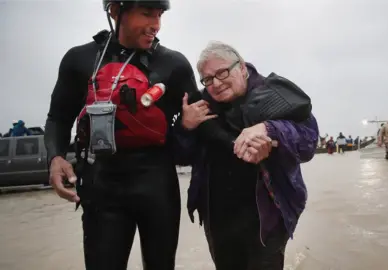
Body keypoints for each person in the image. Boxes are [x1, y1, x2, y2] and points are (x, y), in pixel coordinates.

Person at [43, 1, 220, 269]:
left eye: (159, 15)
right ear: (115, 11)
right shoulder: (79, 59)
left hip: (157, 184)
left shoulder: (173, 63)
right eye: (147, 14)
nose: (156, 25)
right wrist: (55, 157)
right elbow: (58, 116)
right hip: (101, 186)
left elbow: (205, 121)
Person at [177, 41, 319, 270]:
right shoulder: (200, 107)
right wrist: (185, 126)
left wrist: (270, 129)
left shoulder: (276, 95)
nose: (216, 83)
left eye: (222, 73)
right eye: (208, 79)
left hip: (267, 215)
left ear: (242, 67)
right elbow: (181, 156)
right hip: (218, 217)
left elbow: (309, 142)